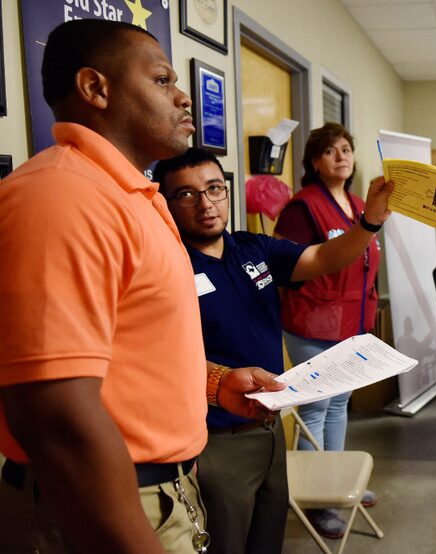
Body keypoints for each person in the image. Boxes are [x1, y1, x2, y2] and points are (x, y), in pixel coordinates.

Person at [0, 20, 282, 553]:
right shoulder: (60, 197)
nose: (182, 97)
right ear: (95, 88)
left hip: (164, 490)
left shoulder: (130, 196)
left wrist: (215, 382)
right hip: (106, 507)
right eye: (161, 80)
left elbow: (126, 353)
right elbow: (54, 414)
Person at [153, 148, 392, 553]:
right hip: (213, 438)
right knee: (226, 541)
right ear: (165, 202)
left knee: (267, 538)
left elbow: (324, 257)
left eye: (214, 189)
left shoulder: (253, 248)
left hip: (268, 427)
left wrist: (370, 221)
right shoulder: (166, 265)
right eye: (187, 195)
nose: (206, 204)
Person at [274, 122, 381, 538]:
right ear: (315, 162)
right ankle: (316, 501)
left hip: (353, 324)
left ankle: (338, 485)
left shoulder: (360, 204)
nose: (342, 156)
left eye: (347, 149)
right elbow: (288, 267)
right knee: (316, 408)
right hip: (313, 323)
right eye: (331, 150)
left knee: (339, 405)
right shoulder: (303, 208)